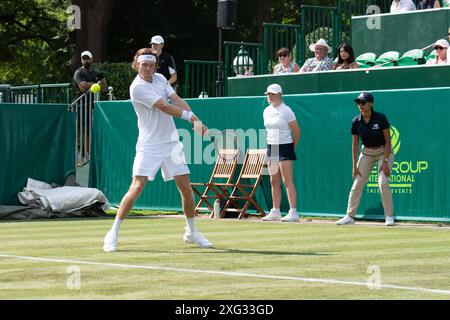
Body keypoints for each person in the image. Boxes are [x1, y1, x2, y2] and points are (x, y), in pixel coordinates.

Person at [103, 48, 213, 252]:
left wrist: (196, 118)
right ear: (136, 65)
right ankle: (113, 233)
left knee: (186, 189)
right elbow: (164, 106)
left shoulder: (161, 79)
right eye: (144, 65)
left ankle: (191, 232)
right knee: (136, 187)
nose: (148, 68)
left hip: (171, 143)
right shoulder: (137, 88)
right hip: (149, 145)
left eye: (151, 65)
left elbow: (176, 99)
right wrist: (189, 118)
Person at [336, 92, 395, 227]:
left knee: (383, 182)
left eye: (363, 102)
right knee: (357, 183)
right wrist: (354, 166)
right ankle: (350, 216)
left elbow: (388, 141)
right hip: (366, 152)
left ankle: (389, 216)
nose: (360, 105)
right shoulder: (356, 121)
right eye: (358, 103)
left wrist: (385, 161)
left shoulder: (381, 118)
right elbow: (355, 144)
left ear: (371, 103)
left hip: (383, 152)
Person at [261, 84, 301, 223]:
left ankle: (293, 212)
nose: (269, 96)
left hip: (285, 146)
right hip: (272, 147)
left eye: (272, 94)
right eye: (268, 94)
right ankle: (275, 211)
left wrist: (292, 148)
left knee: (287, 180)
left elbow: (296, 131)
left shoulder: (286, 110)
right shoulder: (266, 111)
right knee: (273, 180)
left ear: (279, 95)